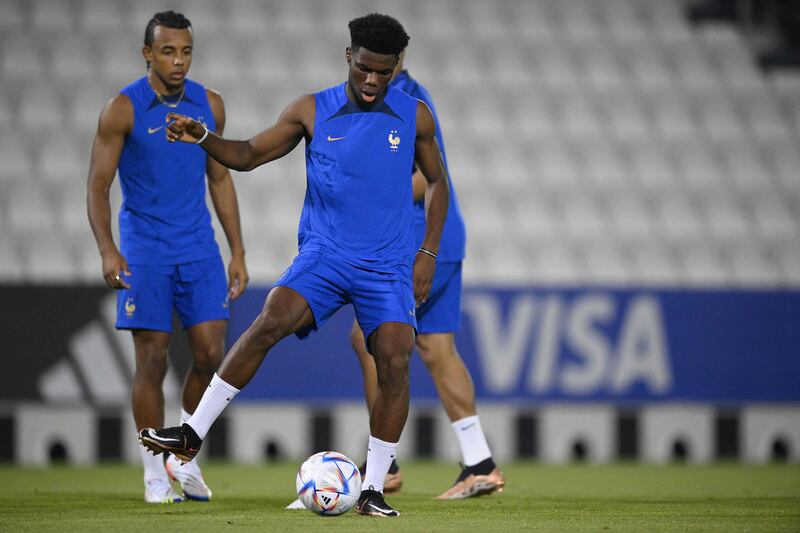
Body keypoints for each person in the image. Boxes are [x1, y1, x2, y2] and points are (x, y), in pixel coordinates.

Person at [138, 13, 449, 518]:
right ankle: (192, 435)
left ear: (397, 68)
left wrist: (427, 254)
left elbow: (439, 185)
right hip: (326, 255)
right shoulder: (312, 110)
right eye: (365, 68)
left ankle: (372, 489)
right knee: (272, 318)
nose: (372, 81)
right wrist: (203, 138)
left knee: (395, 356)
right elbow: (246, 154)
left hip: (387, 265)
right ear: (349, 57)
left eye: (383, 72)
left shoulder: (416, 116)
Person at [87, 11, 249, 504]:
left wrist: (237, 251)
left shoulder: (210, 104)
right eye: (168, 51)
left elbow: (220, 179)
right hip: (146, 249)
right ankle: (154, 472)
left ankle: (184, 456)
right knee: (152, 360)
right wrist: (108, 248)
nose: (178, 61)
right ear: (147, 54)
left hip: (198, 246)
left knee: (210, 355)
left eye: (186, 52)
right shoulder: (123, 109)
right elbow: (98, 184)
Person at [351, 54, 505, 500]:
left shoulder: (404, 101)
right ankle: (480, 464)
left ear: (396, 60)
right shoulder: (408, 98)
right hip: (445, 241)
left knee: (366, 336)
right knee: (438, 349)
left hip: (422, 247)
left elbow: (421, 178)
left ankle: (386, 463)